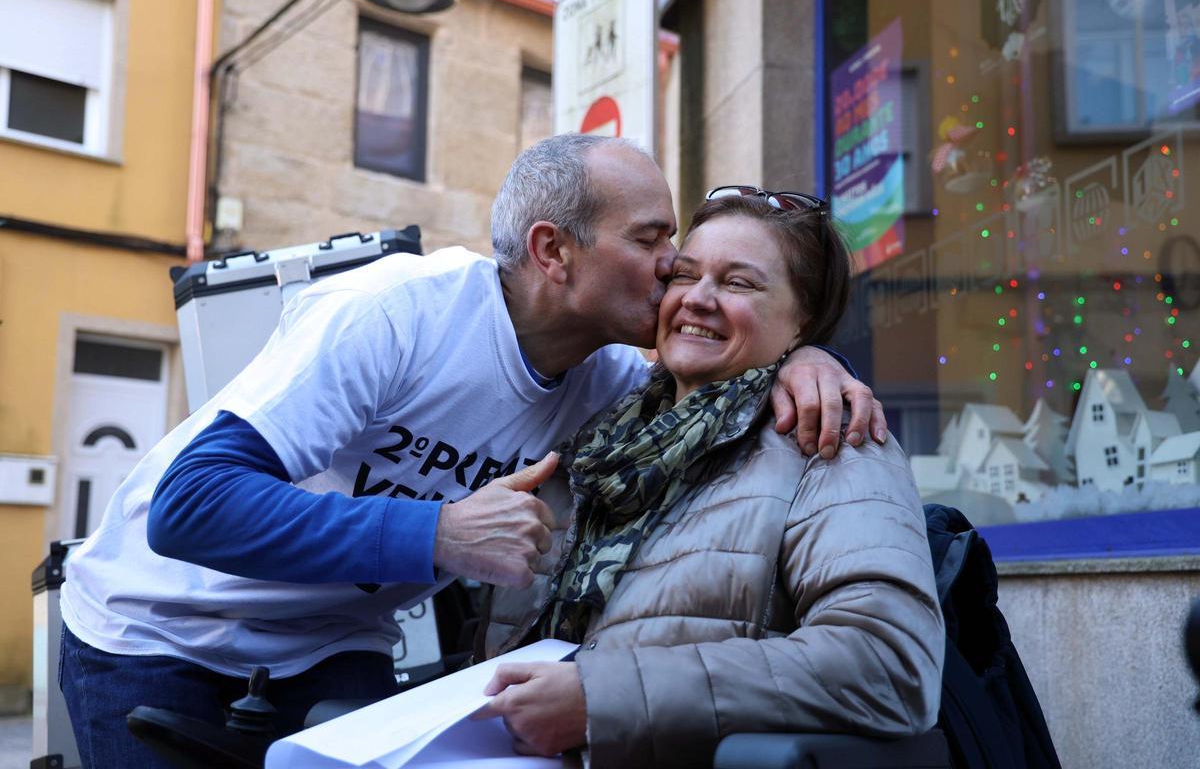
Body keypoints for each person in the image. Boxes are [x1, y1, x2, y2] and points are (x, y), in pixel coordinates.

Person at [57, 136, 885, 767]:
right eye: (650, 238)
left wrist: (812, 357)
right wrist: (438, 536)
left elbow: (724, 363)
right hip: (156, 631)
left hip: (332, 648)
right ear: (552, 251)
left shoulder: (603, 383)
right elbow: (189, 504)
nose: (674, 267)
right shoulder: (395, 313)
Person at [474, 187, 944, 768]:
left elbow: (886, 663)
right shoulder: (595, 444)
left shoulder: (829, 442)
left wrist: (602, 699)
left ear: (803, 323)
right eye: (683, 275)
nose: (698, 299)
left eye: (739, 283)